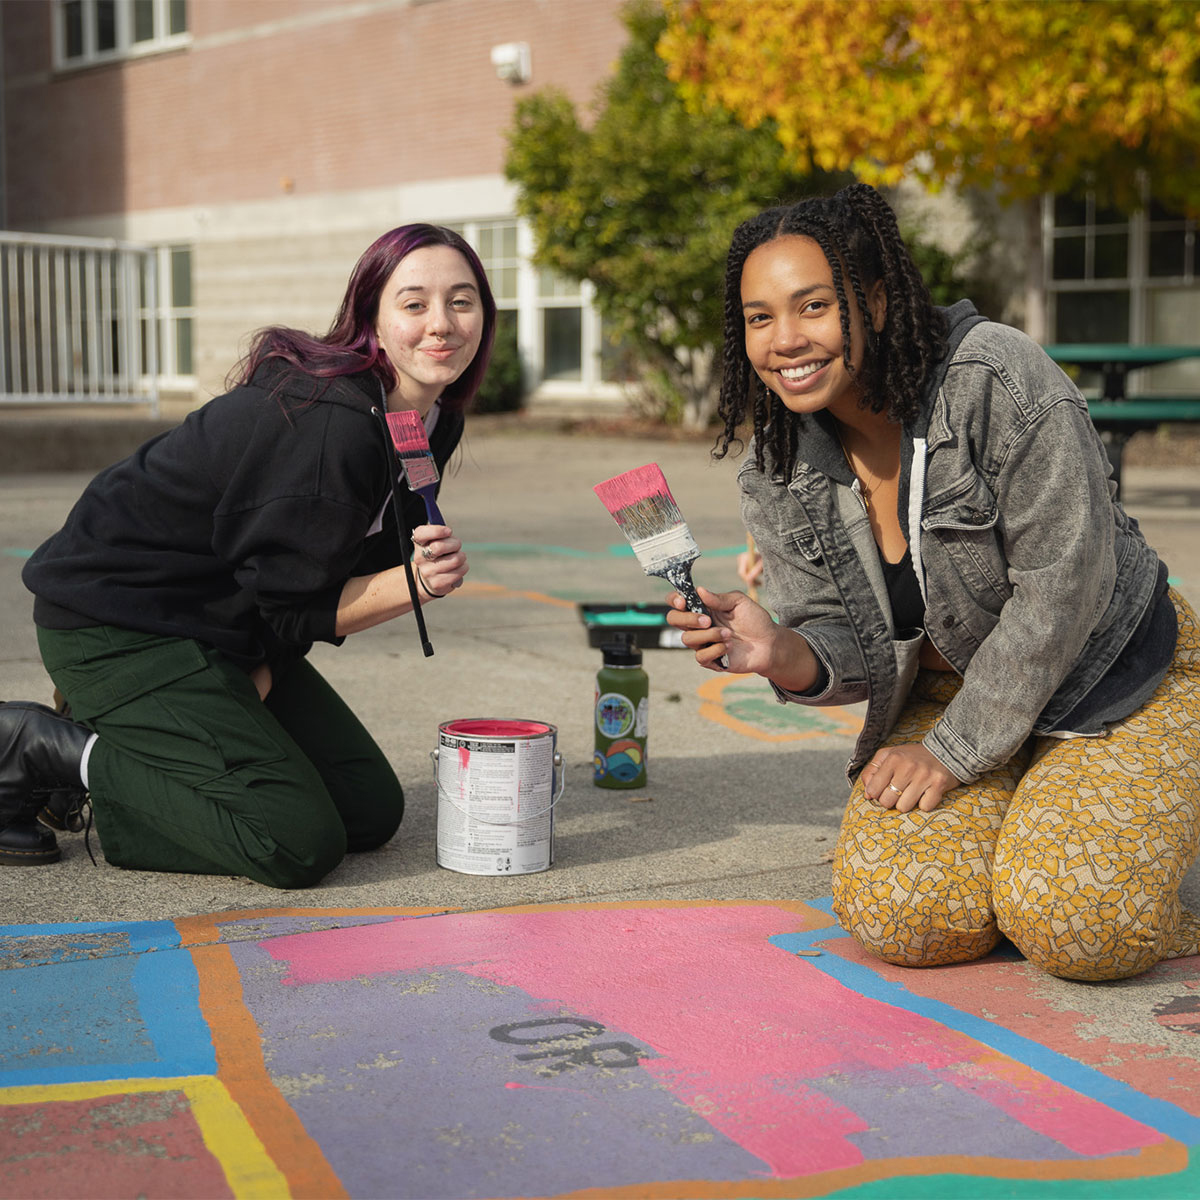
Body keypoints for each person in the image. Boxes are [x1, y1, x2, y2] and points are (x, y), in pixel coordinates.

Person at [667, 183, 1200, 982]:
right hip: (952, 696)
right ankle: (1039, 828)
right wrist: (781, 650)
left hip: (1116, 677)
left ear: (875, 302)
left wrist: (951, 756)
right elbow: (844, 641)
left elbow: (1064, 588)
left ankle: (1108, 843)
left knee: (1077, 924)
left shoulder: (996, 379)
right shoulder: (776, 468)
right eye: (759, 317)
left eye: (812, 306)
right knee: (902, 917)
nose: (785, 339)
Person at [1, 223, 496, 886]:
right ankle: (50, 753)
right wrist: (414, 584)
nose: (441, 323)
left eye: (462, 302)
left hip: (223, 623)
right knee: (293, 842)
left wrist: (260, 667)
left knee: (367, 810)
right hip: (118, 622)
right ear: (371, 320)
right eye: (414, 304)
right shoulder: (335, 425)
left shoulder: (433, 418)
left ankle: (139, 745)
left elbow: (306, 574)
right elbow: (298, 605)